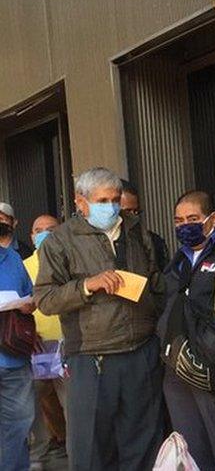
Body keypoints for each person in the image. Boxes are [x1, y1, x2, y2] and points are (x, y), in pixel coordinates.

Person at [35, 167, 165, 470]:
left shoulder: (135, 230)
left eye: (115, 199)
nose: (111, 206)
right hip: (93, 357)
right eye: (102, 200)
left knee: (143, 442)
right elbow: (45, 298)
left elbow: (156, 282)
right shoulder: (61, 241)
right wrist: (86, 286)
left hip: (141, 351)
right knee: (91, 447)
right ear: (81, 202)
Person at [159, 190, 215, 471]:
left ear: (213, 219)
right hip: (177, 368)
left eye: (193, 218)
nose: (185, 226)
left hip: (214, 368)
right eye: (179, 220)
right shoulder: (179, 259)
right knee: (190, 450)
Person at [25, 214, 68, 470]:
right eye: (38, 230)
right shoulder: (22, 266)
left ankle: (77, 455)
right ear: (31, 236)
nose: (43, 234)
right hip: (35, 348)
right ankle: (39, 457)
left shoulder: (69, 261)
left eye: (50, 229)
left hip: (66, 347)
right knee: (36, 408)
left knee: (71, 405)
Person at [0, 233, 36, 471]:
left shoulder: (12, 258)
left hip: (12, 356)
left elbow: (31, 296)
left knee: (19, 425)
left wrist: (27, 305)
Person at [121, 179, 171, 268]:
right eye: (127, 211)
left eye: (136, 212)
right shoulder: (98, 242)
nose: (133, 216)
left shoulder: (153, 241)